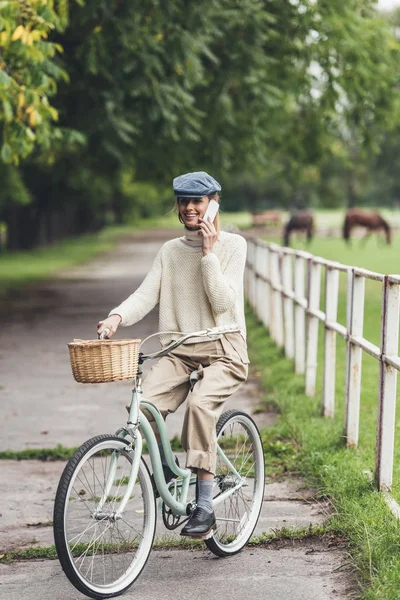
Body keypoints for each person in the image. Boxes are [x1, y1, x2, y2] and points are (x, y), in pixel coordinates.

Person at [97, 171, 249, 538]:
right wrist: (117, 316)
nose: (189, 208)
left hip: (224, 349)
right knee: (144, 406)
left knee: (199, 407)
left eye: (197, 201)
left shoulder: (233, 246)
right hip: (180, 351)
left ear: (214, 203)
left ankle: (205, 505)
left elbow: (224, 302)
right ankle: (167, 476)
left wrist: (208, 255)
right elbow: (146, 294)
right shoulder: (170, 251)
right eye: (183, 201)